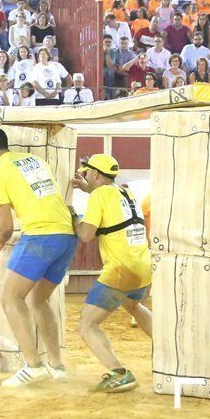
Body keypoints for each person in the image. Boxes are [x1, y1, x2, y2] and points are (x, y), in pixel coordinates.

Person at [0, 123, 74, 387]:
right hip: (66, 236)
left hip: (40, 237)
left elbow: (4, 226)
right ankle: (57, 365)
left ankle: (33, 365)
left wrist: (0, 240)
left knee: (9, 297)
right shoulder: (33, 160)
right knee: (39, 300)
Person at [69, 154, 152, 393]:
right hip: (142, 266)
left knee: (86, 325)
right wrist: (88, 191)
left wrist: (73, 214)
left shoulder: (99, 195)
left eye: (86, 174)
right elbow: (109, 204)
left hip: (120, 268)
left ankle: (119, 373)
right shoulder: (125, 192)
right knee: (134, 306)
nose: (84, 177)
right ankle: (171, 350)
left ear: (95, 174)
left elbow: (85, 235)